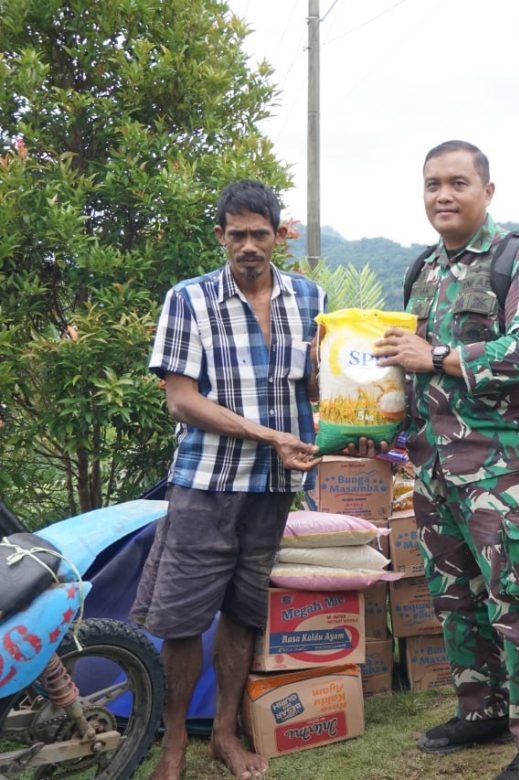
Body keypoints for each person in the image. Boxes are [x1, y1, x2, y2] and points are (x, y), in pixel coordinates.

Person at [373, 140, 519, 780]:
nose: (443, 195)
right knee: (455, 598)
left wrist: (436, 357)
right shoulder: (424, 271)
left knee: (517, 599)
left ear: (486, 191)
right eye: (432, 183)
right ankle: (482, 707)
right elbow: (406, 372)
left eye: (458, 182)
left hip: (500, 469)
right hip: (434, 467)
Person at [132, 180, 325, 780]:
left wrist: (355, 418)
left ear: (278, 236)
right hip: (205, 485)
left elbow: (318, 390)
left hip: (271, 490)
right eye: (236, 234)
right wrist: (267, 435)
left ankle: (223, 734)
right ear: (220, 236)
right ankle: (172, 747)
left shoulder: (309, 299)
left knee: (244, 612)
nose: (248, 245)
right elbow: (182, 402)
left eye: (259, 233)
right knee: (184, 618)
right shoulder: (188, 300)